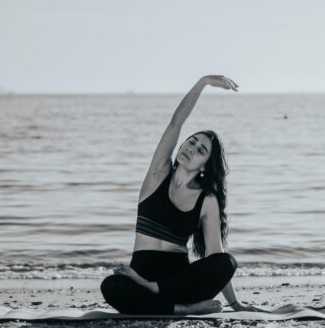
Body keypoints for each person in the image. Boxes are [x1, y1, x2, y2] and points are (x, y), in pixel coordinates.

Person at [100, 75, 264, 315]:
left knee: (227, 262)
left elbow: (215, 255)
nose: (191, 148)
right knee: (111, 286)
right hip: (141, 274)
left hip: (178, 281)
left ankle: (163, 301)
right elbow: (176, 122)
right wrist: (203, 82)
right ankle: (183, 309)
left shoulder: (207, 200)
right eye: (191, 141)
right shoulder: (158, 174)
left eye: (201, 150)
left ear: (206, 165)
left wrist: (235, 304)